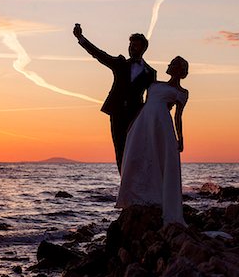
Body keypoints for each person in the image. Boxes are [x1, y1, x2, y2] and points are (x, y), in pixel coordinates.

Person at [73, 24, 157, 174]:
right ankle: (124, 183)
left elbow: (151, 98)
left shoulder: (150, 73)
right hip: (117, 112)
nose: (131, 48)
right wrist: (81, 38)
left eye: (135, 46)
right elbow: (99, 55)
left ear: (143, 48)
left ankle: (138, 182)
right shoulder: (120, 63)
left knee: (136, 150)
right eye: (130, 45)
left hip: (136, 115)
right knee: (120, 149)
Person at [116, 56, 189, 226]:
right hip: (144, 122)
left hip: (162, 125)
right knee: (138, 156)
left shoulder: (182, 93)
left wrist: (181, 138)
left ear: (182, 70)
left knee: (159, 159)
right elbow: (145, 105)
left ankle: (158, 198)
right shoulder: (155, 85)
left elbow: (178, 116)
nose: (171, 65)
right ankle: (136, 195)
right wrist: (133, 122)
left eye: (176, 64)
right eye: (171, 63)